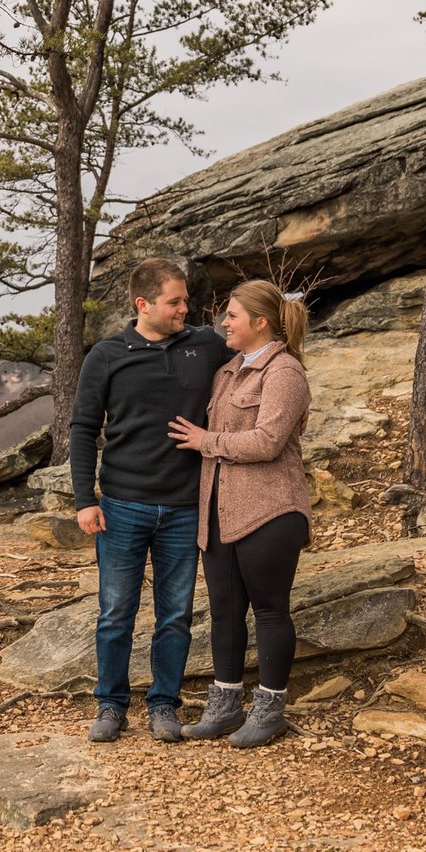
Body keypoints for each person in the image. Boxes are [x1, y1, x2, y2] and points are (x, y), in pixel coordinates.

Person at [69, 258, 229, 743]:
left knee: (176, 614)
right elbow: (82, 428)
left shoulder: (205, 345)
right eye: (175, 301)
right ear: (144, 305)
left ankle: (164, 704)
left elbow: (257, 362)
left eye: (186, 300)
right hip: (121, 504)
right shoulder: (107, 354)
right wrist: (84, 500)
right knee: (116, 611)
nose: (187, 308)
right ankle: (111, 705)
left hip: (185, 507)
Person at [168, 279, 312, 749]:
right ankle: (225, 706)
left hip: (270, 510)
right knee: (226, 612)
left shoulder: (284, 372)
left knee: (270, 611)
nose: (223, 323)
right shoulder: (229, 371)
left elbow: (268, 441)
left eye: (231, 316)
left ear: (260, 322)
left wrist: (206, 441)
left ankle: (270, 710)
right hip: (218, 511)